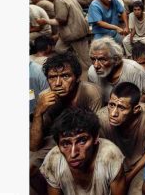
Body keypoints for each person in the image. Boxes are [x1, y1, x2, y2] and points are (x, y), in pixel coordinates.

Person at [30, 53, 103, 192]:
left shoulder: (91, 93)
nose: (57, 83)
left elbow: (98, 135)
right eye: (52, 77)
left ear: (76, 78)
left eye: (65, 76)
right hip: (57, 138)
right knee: (30, 166)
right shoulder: (45, 97)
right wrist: (39, 112)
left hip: (83, 138)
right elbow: (34, 146)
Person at [40, 107, 127, 195]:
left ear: (96, 138)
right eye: (66, 144)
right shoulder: (53, 160)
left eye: (82, 141)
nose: (73, 154)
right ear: (58, 145)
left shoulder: (111, 156)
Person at [97, 82, 145, 195]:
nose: (113, 113)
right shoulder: (100, 119)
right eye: (111, 105)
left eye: (121, 107)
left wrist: (129, 176)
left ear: (136, 109)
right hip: (112, 165)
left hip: (140, 165)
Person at [37, 0, 91, 74]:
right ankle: (73, 64)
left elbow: (61, 20)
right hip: (76, 29)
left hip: (75, 32)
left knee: (85, 58)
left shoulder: (59, 0)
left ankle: (94, 74)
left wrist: (45, 21)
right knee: (59, 48)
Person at [88, 37, 145, 104]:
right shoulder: (92, 72)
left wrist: (132, 108)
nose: (96, 65)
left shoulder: (134, 70)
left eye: (102, 59)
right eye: (93, 59)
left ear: (116, 59)